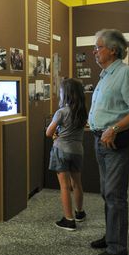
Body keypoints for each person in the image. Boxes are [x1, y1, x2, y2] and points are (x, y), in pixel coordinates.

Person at [88, 28, 129, 255]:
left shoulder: (125, 73)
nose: (94, 52)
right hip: (100, 141)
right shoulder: (105, 75)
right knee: (106, 193)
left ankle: (117, 248)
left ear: (112, 50)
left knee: (115, 195)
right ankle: (111, 236)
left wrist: (113, 128)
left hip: (115, 143)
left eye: (98, 47)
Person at [46, 78, 87, 231]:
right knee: (77, 183)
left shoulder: (61, 112)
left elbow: (49, 132)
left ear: (66, 94)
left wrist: (57, 133)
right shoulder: (83, 111)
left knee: (65, 186)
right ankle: (80, 213)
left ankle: (68, 220)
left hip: (61, 150)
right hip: (78, 150)